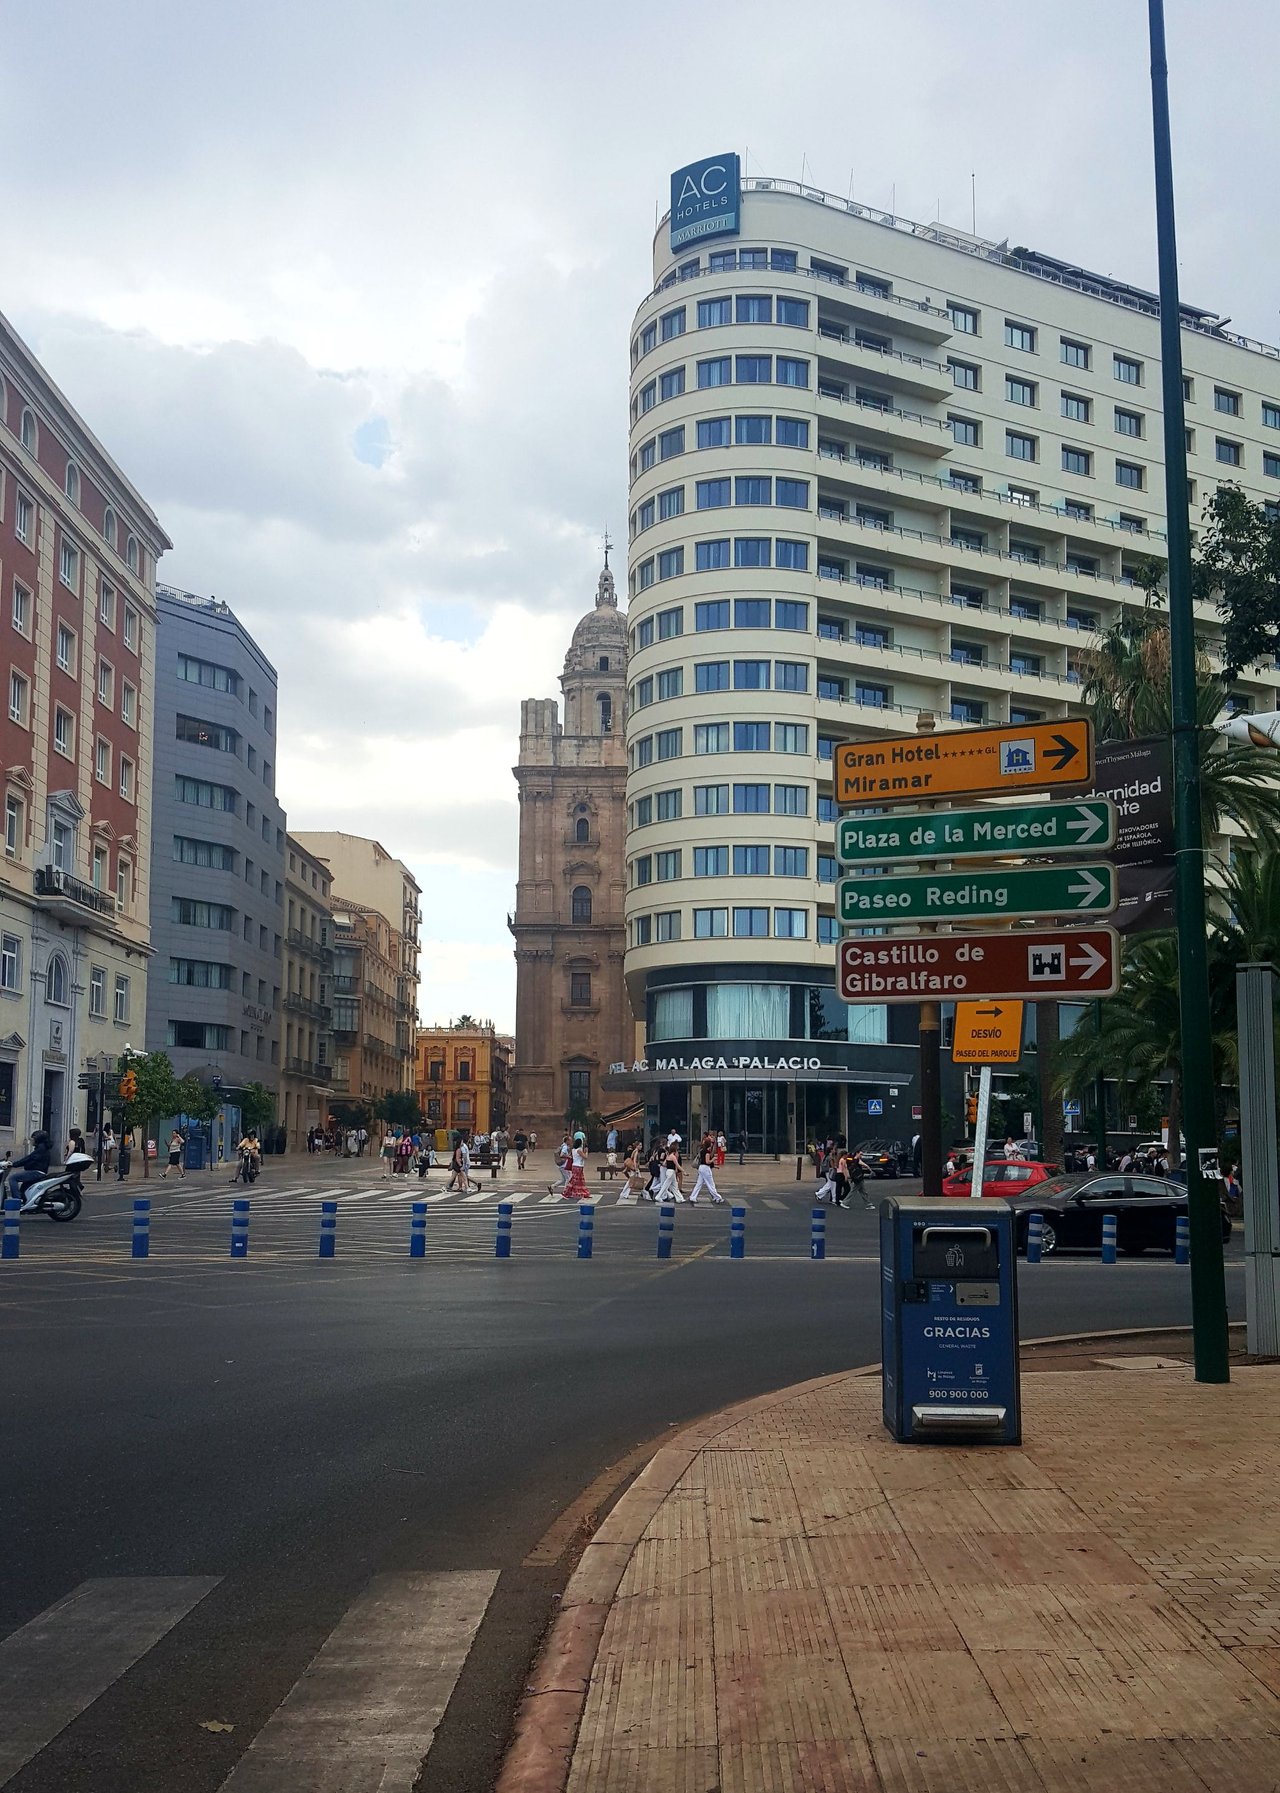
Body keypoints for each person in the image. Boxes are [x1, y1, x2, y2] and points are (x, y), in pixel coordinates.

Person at [9, 1130, 53, 1210]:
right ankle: (24, 1201)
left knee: (13, 1178)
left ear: (38, 1139)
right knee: (23, 1188)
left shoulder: (41, 1149)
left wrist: (13, 1164)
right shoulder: (42, 1148)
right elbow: (30, 1159)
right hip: (36, 1171)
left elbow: (28, 1159)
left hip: (36, 1172)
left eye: (33, 1138)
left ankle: (17, 1200)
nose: (31, 1140)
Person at [688, 1135, 724, 1205]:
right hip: (705, 1168)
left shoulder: (702, 1150)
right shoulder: (707, 1152)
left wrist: (714, 1165)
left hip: (701, 1168)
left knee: (699, 1183)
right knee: (711, 1184)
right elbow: (707, 1161)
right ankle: (717, 1197)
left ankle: (693, 1197)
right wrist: (713, 1159)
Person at [561, 1129, 590, 1201]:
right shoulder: (579, 1150)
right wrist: (586, 1152)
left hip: (575, 1166)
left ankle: (576, 1192)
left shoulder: (573, 1150)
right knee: (575, 1180)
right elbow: (585, 1157)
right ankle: (566, 1192)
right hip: (578, 1166)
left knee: (577, 1180)